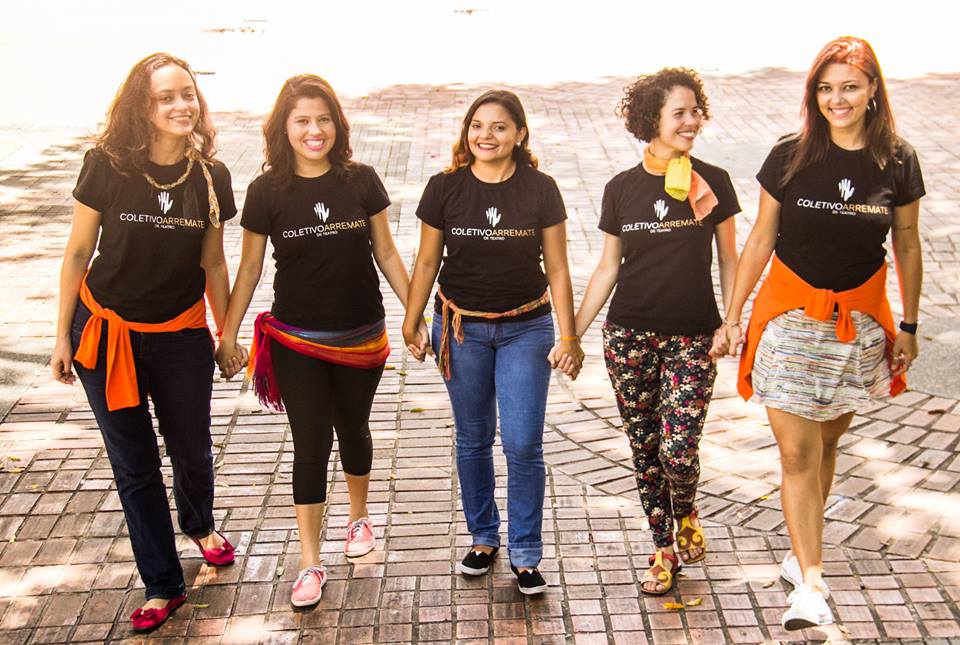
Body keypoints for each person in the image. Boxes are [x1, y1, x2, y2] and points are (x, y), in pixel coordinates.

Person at [723, 37, 924, 630]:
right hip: (789, 320)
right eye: (826, 88)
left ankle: (799, 551)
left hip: (855, 327)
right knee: (797, 452)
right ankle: (811, 585)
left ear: (872, 91)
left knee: (827, 445)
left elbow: (907, 243)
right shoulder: (790, 154)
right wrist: (732, 316)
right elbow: (761, 238)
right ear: (814, 94)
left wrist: (909, 325)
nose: (837, 99)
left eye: (850, 87)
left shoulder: (898, 160)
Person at [215, 74, 424, 608]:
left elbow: (387, 252)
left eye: (323, 119)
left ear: (337, 124)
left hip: (362, 335)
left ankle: (358, 518)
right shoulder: (267, 191)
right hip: (297, 339)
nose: (315, 130)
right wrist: (228, 333)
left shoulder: (361, 181)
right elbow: (249, 268)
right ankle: (310, 561)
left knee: (353, 428)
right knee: (310, 443)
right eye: (302, 121)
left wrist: (414, 315)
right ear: (283, 128)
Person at [50, 53, 238, 632]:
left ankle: (199, 524)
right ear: (142, 106)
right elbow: (78, 253)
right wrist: (61, 336)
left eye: (188, 94)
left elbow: (213, 263)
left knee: (192, 450)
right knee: (135, 466)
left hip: (180, 335)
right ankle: (162, 584)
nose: (182, 105)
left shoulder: (211, 177)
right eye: (166, 97)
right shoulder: (107, 165)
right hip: (106, 336)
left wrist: (227, 334)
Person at [401, 89, 582, 595]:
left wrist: (569, 334)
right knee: (473, 438)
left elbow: (558, 268)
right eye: (477, 125)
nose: (486, 135)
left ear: (519, 134)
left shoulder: (540, 189)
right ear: (467, 132)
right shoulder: (445, 188)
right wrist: (412, 320)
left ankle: (526, 551)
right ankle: (483, 536)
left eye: (499, 126)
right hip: (461, 329)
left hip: (527, 326)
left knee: (523, 442)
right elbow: (426, 261)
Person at [573, 68, 740, 595]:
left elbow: (729, 259)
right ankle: (663, 547)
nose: (692, 121)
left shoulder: (714, 181)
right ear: (652, 120)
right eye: (679, 113)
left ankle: (686, 508)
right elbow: (608, 268)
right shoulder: (621, 188)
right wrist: (572, 333)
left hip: (694, 336)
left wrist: (732, 319)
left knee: (678, 450)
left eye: (696, 111)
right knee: (645, 450)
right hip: (629, 337)